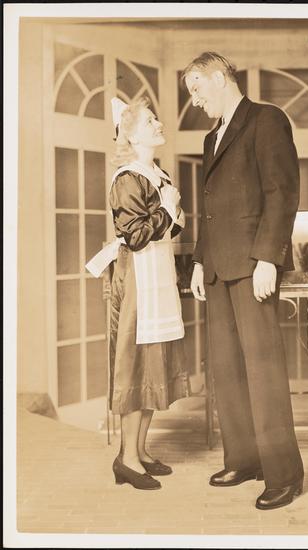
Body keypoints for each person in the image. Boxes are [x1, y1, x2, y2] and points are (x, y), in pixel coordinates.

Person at [182, 52, 304, 510]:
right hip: (217, 268)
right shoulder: (211, 137)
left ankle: (284, 475)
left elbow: (281, 192)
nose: (195, 101)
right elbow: (210, 208)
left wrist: (268, 259)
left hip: (253, 266)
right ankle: (244, 459)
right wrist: (199, 261)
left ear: (219, 78)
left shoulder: (266, 120)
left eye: (197, 89)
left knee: (263, 371)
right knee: (228, 369)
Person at [86, 96, 189, 490]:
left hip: (158, 277)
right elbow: (137, 236)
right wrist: (169, 210)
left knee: (152, 365)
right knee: (136, 365)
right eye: (149, 121)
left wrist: (170, 214)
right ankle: (127, 459)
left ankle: (140, 450)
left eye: (156, 118)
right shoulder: (128, 178)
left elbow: (169, 229)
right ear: (130, 136)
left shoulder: (156, 174)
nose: (158, 123)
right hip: (137, 281)